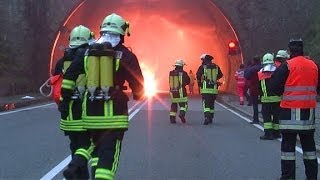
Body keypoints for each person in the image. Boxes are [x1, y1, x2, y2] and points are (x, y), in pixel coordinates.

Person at [60, 13, 144, 179]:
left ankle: (76, 163)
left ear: (101, 30)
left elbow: (69, 76)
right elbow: (139, 87)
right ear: (122, 32)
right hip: (114, 116)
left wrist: (66, 97)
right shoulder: (126, 55)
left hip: (90, 113)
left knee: (92, 144)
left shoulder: (86, 52)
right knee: (108, 155)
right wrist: (136, 94)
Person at [270, 39, 319, 180]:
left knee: (288, 151)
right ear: (303, 49)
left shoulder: (287, 66)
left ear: (290, 51)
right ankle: (312, 177)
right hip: (308, 114)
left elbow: (274, 87)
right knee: (310, 150)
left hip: (289, 114)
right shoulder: (314, 66)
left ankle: (288, 177)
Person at [54, 25, 94, 179]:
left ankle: (78, 175)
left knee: (75, 146)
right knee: (89, 145)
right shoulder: (92, 60)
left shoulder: (60, 62)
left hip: (68, 115)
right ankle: (75, 169)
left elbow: (57, 87)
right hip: (86, 113)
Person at [257, 53, 281, 140]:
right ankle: (276, 133)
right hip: (277, 99)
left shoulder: (260, 73)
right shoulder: (278, 71)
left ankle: (268, 134)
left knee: (267, 117)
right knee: (276, 117)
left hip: (266, 99)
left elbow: (259, 86)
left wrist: (259, 96)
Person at [196, 54, 223, 125]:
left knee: (206, 104)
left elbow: (198, 76)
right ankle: (211, 117)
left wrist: (200, 85)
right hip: (214, 89)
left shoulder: (202, 67)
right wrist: (214, 78)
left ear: (205, 60)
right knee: (211, 104)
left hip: (205, 89)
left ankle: (207, 117)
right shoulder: (216, 67)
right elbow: (220, 75)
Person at [169, 60, 190, 124]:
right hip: (181, 92)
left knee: (174, 105)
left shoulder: (171, 73)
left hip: (173, 92)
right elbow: (188, 81)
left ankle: (172, 119)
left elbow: (170, 82)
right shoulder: (184, 73)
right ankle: (182, 113)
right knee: (184, 105)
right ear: (182, 66)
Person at [244, 56, 263, 124]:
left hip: (254, 88)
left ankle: (256, 119)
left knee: (255, 104)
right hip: (263, 88)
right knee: (264, 103)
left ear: (253, 61)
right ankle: (264, 115)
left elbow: (246, 76)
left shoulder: (252, 69)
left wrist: (250, 67)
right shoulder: (263, 67)